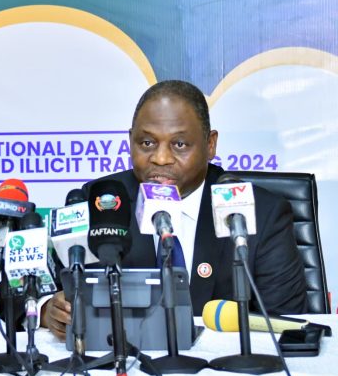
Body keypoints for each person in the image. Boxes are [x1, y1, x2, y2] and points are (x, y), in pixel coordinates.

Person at [41, 80, 308, 340]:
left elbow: (286, 321)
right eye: (147, 143)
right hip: (128, 357)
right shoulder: (102, 202)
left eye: (179, 144)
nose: (161, 158)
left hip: (226, 363)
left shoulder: (261, 213)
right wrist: (47, 310)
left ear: (210, 144)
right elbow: (40, 292)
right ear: (130, 141)